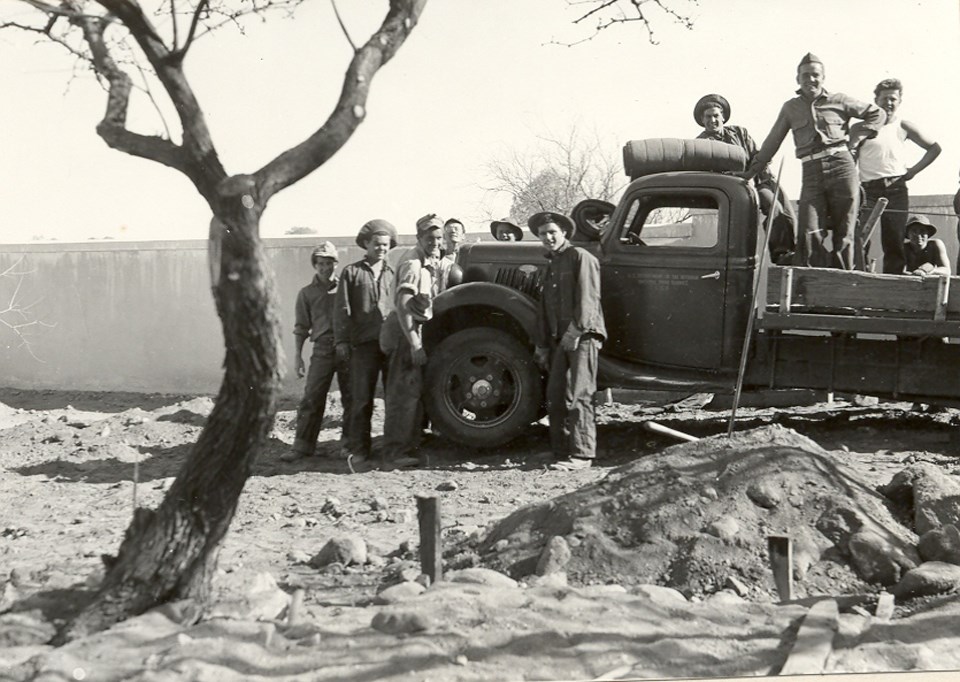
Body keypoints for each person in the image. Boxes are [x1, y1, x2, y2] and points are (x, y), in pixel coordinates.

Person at [743, 53, 886, 270]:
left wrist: (856, 137)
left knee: (845, 230)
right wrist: (749, 174)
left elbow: (877, 114)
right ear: (797, 79)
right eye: (806, 75)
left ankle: (844, 287)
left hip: (842, 167)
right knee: (809, 231)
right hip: (811, 172)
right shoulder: (790, 108)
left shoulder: (840, 100)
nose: (811, 79)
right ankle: (812, 288)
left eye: (815, 75)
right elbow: (772, 143)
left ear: (823, 77)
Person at [530, 211, 607, 471]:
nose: (548, 237)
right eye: (543, 234)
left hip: (581, 337)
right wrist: (542, 344)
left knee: (579, 394)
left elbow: (589, 299)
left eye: (553, 232)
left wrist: (575, 333)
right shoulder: (552, 263)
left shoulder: (580, 258)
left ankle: (582, 455)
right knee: (555, 394)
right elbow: (544, 308)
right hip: (559, 340)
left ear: (564, 232)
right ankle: (561, 451)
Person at [694, 93, 797, 264]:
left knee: (788, 214)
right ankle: (781, 254)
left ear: (723, 117)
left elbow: (757, 156)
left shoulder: (739, 132)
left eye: (716, 115)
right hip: (734, 190)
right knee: (773, 207)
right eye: (708, 117)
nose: (712, 120)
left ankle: (793, 255)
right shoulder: (700, 144)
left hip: (757, 180)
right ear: (702, 120)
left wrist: (762, 163)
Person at [852, 79, 941, 274]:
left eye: (893, 99)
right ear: (876, 100)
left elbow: (934, 148)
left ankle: (892, 290)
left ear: (900, 101)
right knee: (859, 237)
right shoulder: (862, 128)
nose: (889, 103)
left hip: (896, 189)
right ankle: (859, 279)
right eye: (884, 99)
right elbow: (850, 160)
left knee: (894, 241)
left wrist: (913, 171)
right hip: (868, 190)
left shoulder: (903, 126)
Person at [379, 214, 444, 468]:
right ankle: (394, 454)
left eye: (438, 237)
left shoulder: (428, 261)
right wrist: (415, 342)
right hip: (404, 332)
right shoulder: (413, 263)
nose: (436, 242)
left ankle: (408, 445)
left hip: (412, 329)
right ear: (419, 238)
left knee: (412, 390)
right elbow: (404, 305)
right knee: (402, 393)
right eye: (430, 238)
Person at [334, 219, 397, 464]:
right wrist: (341, 341)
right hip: (364, 344)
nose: (381, 249)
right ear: (367, 244)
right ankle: (359, 449)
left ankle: (392, 449)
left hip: (390, 344)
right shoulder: (352, 273)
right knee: (361, 398)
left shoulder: (394, 273)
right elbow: (342, 309)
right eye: (377, 244)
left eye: (385, 245)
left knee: (393, 397)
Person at [282, 242, 352, 463]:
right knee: (312, 397)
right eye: (321, 263)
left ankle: (350, 445)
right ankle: (302, 446)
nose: (325, 268)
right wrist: (297, 357)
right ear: (315, 265)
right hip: (322, 349)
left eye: (329, 263)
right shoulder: (306, 293)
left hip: (347, 348)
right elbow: (301, 327)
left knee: (351, 397)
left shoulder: (346, 287)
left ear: (335, 264)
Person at [437, 217, 465, 291]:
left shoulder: (469, 256)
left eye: (456, 229)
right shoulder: (439, 259)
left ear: (463, 236)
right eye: (449, 229)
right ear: (444, 236)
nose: (453, 231)